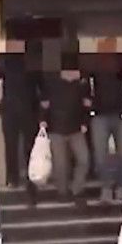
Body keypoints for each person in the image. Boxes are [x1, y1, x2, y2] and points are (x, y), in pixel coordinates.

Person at [0, 39, 40, 204]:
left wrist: (43, 105)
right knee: (11, 144)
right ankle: (13, 178)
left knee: (28, 146)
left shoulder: (31, 58)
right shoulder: (3, 59)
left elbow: (41, 82)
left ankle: (29, 178)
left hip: (28, 109)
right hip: (12, 109)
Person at [86, 52, 122, 203]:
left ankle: (121, 187)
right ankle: (106, 188)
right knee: (100, 155)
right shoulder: (92, 70)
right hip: (100, 116)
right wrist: (88, 109)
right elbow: (86, 90)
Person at [39, 60, 91, 200]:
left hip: (76, 129)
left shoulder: (81, 84)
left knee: (84, 159)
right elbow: (44, 104)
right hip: (56, 129)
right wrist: (43, 120)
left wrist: (85, 122)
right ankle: (62, 192)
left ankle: (76, 189)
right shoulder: (51, 83)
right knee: (60, 164)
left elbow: (87, 104)